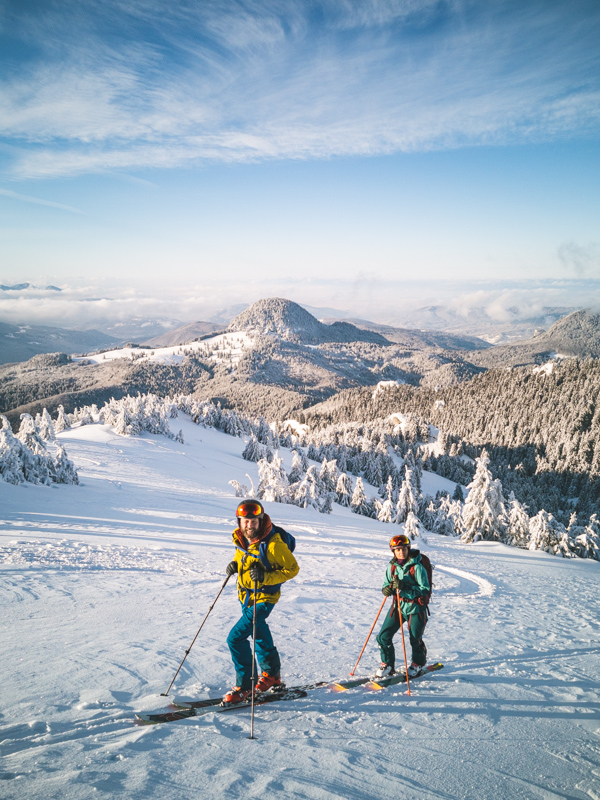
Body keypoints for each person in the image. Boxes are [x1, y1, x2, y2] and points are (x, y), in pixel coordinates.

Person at [223, 499, 299, 705]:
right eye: (245, 521)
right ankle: (272, 676)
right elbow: (244, 558)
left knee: (235, 639)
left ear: (261, 520)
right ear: (240, 522)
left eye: (254, 521)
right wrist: (235, 566)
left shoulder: (273, 544)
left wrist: (265, 578)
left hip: (264, 598)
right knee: (258, 635)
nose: (250, 525)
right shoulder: (241, 539)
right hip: (246, 597)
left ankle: (246, 687)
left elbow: (292, 569)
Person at [375, 533, 430, 679]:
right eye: (397, 549)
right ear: (393, 551)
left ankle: (418, 663)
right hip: (398, 606)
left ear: (408, 548)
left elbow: (425, 589)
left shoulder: (417, 567)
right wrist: (387, 589)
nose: (401, 552)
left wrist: (404, 587)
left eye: (404, 548)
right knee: (383, 636)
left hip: (416, 608)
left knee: (415, 639)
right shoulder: (392, 566)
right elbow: (387, 583)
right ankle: (388, 664)